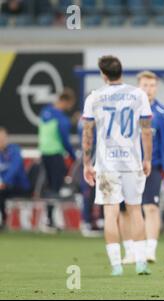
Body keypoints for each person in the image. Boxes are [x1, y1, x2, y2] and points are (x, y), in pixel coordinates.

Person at [82, 55, 153, 276]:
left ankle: (116, 265)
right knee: (135, 210)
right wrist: (147, 158)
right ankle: (141, 262)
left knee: (110, 212)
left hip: (106, 164)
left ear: (103, 75)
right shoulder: (138, 94)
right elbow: (146, 131)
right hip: (131, 162)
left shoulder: (94, 97)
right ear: (121, 71)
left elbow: (87, 133)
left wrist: (86, 163)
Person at [120, 71, 164, 264]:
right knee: (126, 209)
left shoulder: (162, 113)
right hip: (127, 167)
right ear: (138, 87)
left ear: (156, 88)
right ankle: (130, 251)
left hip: (153, 167)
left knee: (151, 207)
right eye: (145, 85)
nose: (149, 89)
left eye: (152, 86)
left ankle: (150, 250)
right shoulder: (126, 110)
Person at [38, 88, 76, 232]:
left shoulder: (45, 111)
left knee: (49, 187)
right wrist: (73, 156)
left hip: (44, 154)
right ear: (66, 101)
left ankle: (48, 219)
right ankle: (50, 220)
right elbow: (65, 140)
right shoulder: (61, 118)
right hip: (56, 155)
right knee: (56, 188)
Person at [0, 127, 30, 230]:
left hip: (20, 186)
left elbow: (14, 169)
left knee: (1, 192)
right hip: (4, 187)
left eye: (3, 137)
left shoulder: (14, 150)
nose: (1, 140)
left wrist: (3, 182)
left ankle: (3, 221)